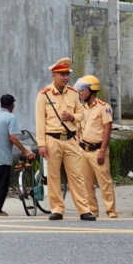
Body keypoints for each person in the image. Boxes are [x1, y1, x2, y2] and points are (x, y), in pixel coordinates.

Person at [34, 58, 88, 221]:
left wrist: (72, 117)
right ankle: (57, 209)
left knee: (76, 175)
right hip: (52, 140)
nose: (66, 78)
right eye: (62, 74)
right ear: (53, 75)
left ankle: (84, 210)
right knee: (53, 176)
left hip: (71, 139)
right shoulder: (44, 95)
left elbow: (82, 114)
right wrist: (41, 144)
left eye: (67, 74)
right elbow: (40, 122)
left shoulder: (73, 93)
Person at [74, 75, 117, 220]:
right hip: (83, 150)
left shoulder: (103, 107)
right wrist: (78, 142)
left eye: (83, 90)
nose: (80, 92)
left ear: (92, 90)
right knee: (86, 183)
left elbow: (108, 129)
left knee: (104, 182)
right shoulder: (83, 109)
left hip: (98, 150)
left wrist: (102, 150)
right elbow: (79, 127)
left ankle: (111, 211)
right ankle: (92, 210)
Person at [0, 94, 35, 216]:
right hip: (3, 157)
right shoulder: (11, 118)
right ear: (11, 105)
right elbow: (13, 137)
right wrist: (26, 151)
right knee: (3, 185)